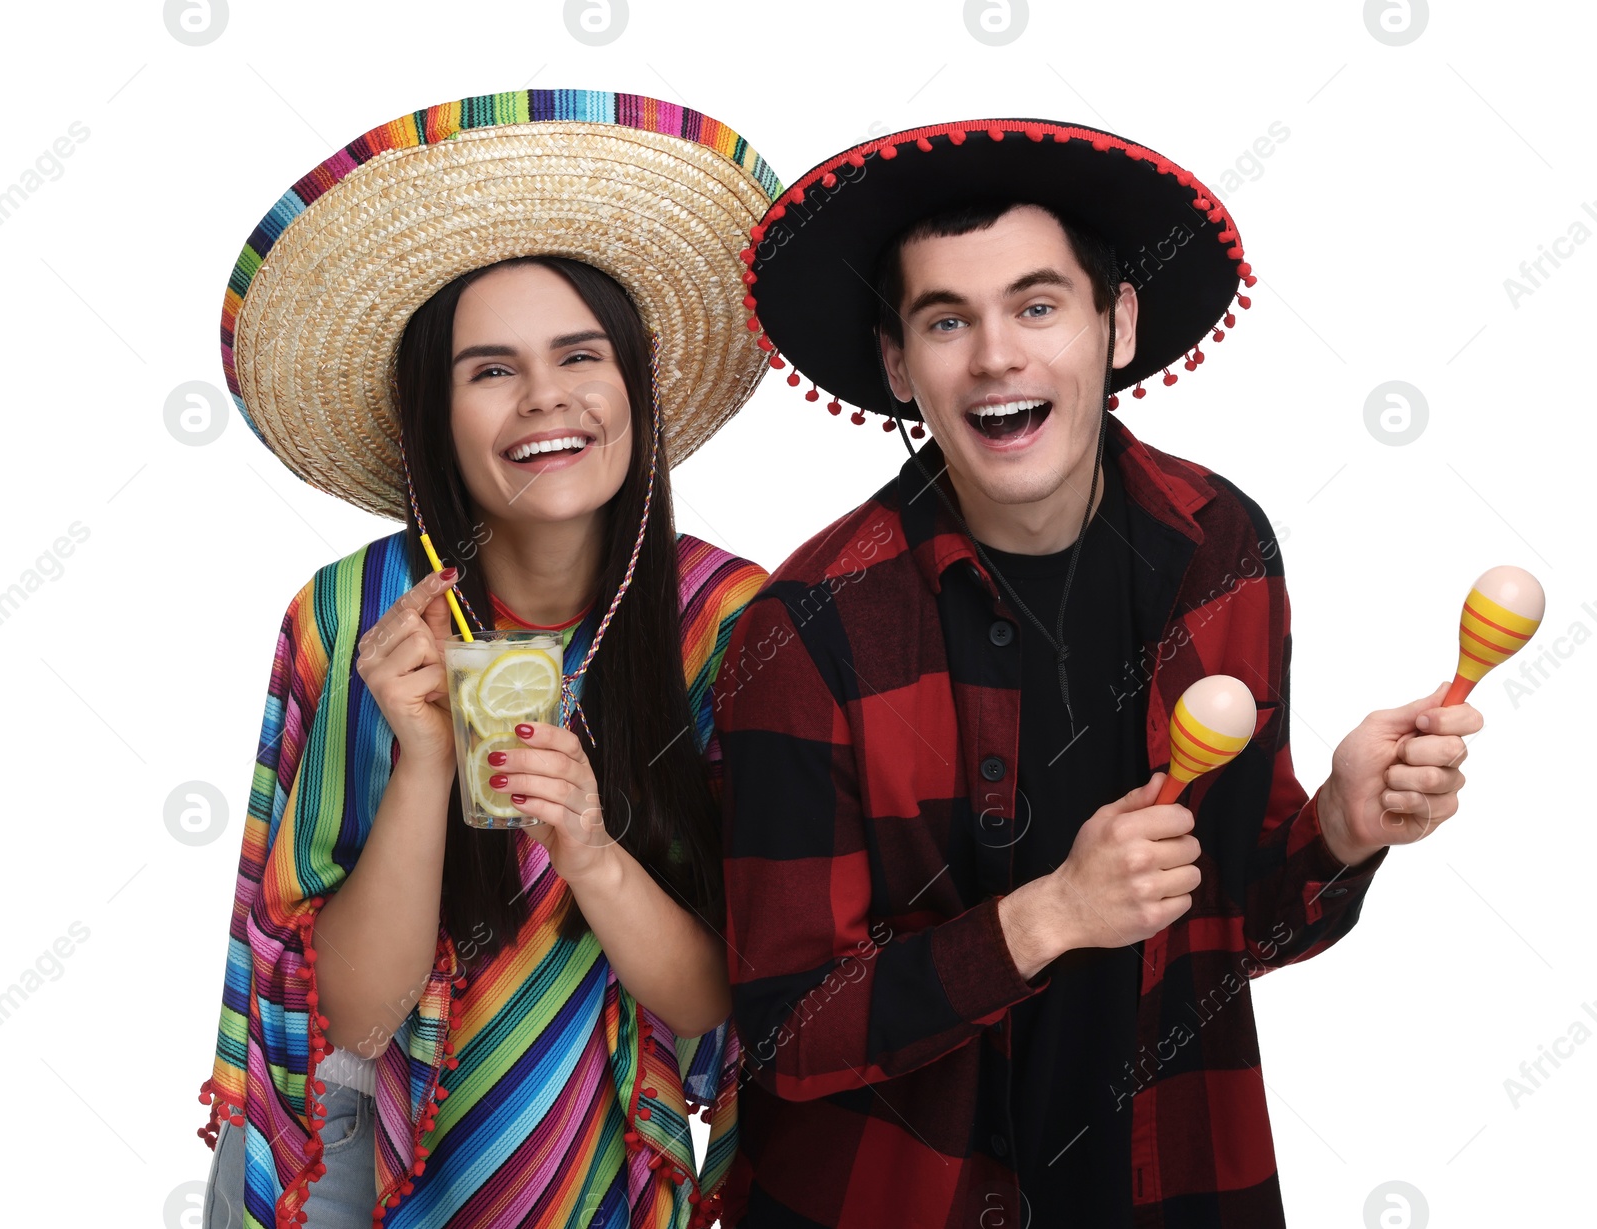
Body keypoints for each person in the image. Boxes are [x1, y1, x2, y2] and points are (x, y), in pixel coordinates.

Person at [712, 118, 1482, 1228]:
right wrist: (1047, 915)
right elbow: (784, 1030)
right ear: (897, 365)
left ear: (1115, 323)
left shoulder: (1218, 546)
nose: (994, 356)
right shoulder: (808, 632)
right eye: (945, 320)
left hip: (1174, 1185)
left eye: (1036, 305)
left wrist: (1343, 825)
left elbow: (1238, 925)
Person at [195, 89, 783, 1228]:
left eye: (581, 354)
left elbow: (718, 996)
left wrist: (591, 848)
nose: (546, 397)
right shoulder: (354, 618)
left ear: (635, 388)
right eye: (489, 370)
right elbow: (356, 1026)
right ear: (436, 413)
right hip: (361, 1158)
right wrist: (423, 763)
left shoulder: (724, 621)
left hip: (604, 1142)